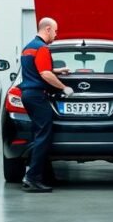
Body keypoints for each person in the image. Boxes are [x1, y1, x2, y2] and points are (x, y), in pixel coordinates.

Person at [19, 17, 72, 193]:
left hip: (28, 96)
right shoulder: (42, 48)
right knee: (43, 136)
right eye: (55, 31)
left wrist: (57, 70)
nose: (56, 35)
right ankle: (32, 178)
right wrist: (64, 87)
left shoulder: (29, 47)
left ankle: (43, 175)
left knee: (38, 136)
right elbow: (44, 74)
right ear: (47, 29)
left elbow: (37, 69)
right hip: (37, 96)